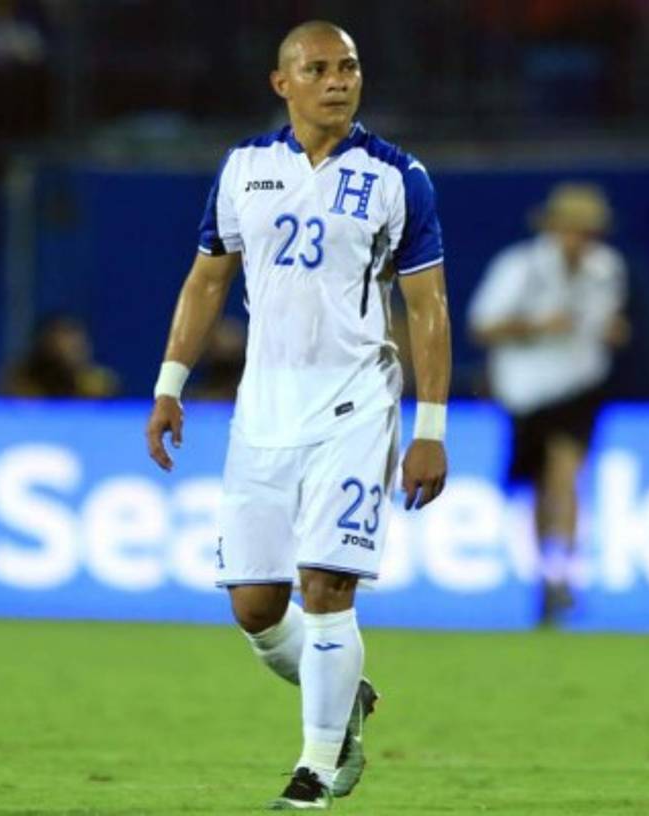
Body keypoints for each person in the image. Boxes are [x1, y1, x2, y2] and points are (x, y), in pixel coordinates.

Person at [144, 20, 451, 811]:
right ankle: (341, 697)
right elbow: (207, 281)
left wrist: (430, 429)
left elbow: (427, 306)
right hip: (264, 408)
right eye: (318, 68)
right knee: (255, 605)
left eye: (349, 65)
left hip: (356, 402)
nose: (338, 80)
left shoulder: (396, 177)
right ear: (283, 83)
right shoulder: (245, 168)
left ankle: (314, 770)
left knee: (325, 585)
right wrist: (170, 383)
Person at [467, 183, 628, 625]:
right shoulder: (520, 267)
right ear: (555, 229)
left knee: (565, 473)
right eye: (573, 230)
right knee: (541, 487)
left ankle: (567, 574)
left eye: (588, 231)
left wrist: (612, 330)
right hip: (527, 390)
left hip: (579, 385)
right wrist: (536, 327)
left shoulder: (607, 269)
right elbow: (482, 326)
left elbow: (603, 321)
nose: (580, 240)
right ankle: (547, 576)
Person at [0, 313, 120, 398]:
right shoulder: (22, 383)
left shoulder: (97, 384)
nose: (71, 348)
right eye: (64, 341)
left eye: (77, 346)